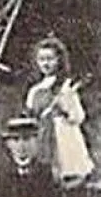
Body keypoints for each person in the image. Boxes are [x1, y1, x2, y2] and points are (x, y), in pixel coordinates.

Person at [24, 34, 93, 187]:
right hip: (42, 135)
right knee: (43, 174)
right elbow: (30, 114)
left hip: (62, 135)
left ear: (59, 61)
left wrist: (64, 108)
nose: (45, 63)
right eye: (41, 59)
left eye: (50, 59)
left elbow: (78, 117)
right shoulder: (35, 90)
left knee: (66, 173)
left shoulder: (65, 87)